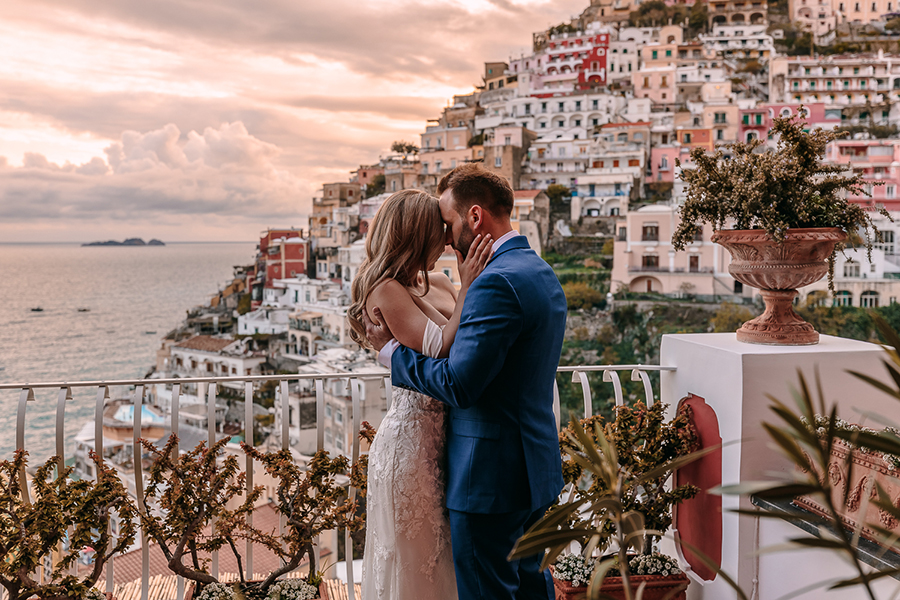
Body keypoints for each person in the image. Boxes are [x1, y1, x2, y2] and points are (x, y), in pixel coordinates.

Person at [362, 164, 567, 600]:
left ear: (475, 218)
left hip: (488, 477)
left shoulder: (494, 283)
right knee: (532, 586)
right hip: (534, 466)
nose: (447, 237)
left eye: (450, 223)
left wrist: (391, 355)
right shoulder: (540, 273)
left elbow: (459, 383)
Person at [348, 188, 494, 600]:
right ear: (417, 234)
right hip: (409, 449)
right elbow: (439, 346)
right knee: (416, 565)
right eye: (440, 231)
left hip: (446, 441)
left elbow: (467, 344)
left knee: (443, 563)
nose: (448, 240)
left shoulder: (442, 282)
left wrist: (465, 288)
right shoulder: (384, 287)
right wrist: (470, 287)